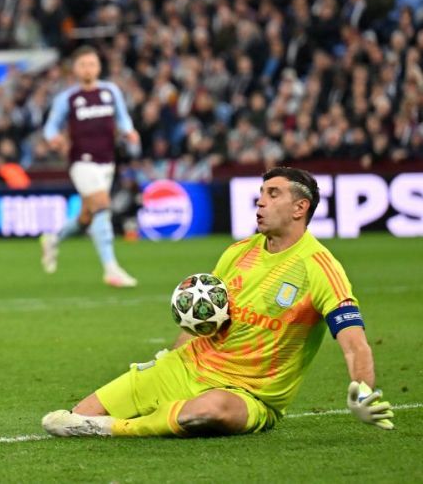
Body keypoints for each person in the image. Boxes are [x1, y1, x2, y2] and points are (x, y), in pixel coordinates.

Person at [41, 167, 395, 438]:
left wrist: (363, 392)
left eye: (273, 194)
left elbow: (354, 343)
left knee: (209, 411)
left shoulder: (319, 267)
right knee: (71, 417)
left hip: (248, 394)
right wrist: (169, 358)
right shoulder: (238, 252)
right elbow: (203, 320)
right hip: (186, 367)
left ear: (300, 207)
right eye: (261, 193)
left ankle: (113, 429)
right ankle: (128, 413)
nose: (261, 201)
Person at [39, 47, 140, 288]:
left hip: (107, 161)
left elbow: (123, 118)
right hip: (81, 162)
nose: (88, 68)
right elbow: (51, 127)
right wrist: (54, 139)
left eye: (92, 64)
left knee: (86, 217)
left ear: (99, 67)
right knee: (102, 205)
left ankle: (53, 239)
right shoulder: (68, 98)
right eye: (83, 64)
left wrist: (129, 131)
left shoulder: (110, 91)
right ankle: (111, 269)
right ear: (75, 69)